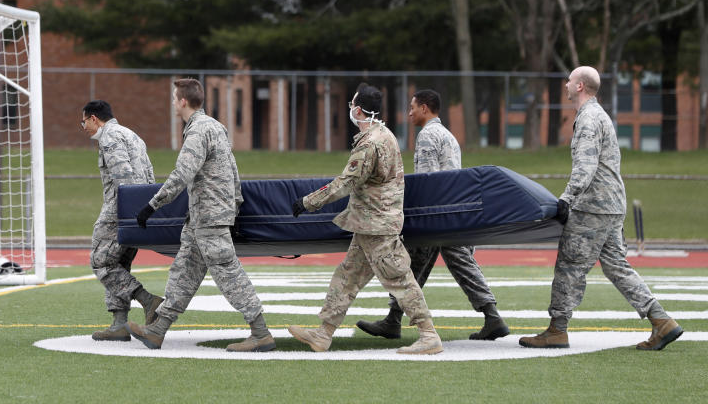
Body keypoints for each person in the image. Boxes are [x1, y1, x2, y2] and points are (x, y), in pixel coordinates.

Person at [520, 66, 684, 350]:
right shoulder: (599, 115)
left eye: (570, 80)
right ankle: (662, 321)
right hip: (611, 205)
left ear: (580, 86)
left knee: (569, 266)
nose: (566, 84)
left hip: (592, 207)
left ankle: (557, 330)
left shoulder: (588, 119)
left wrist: (566, 199)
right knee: (617, 267)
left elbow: (586, 167)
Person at [288, 83, 443, 355]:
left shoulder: (370, 144)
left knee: (399, 279)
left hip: (377, 226)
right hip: (369, 224)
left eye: (351, 105)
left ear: (358, 110)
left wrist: (307, 202)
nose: (349, 109)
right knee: (347, 277)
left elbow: (345, 183)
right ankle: (323, 334)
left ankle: (428, 334)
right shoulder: (384, 135)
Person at [126, 78, 274, 352]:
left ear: (183, 101)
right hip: (203, 219)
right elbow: (233, 171)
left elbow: (183, 173)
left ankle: (260, 332)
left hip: (209, 218)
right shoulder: (216, 127)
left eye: (173, 98)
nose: (172, 102)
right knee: (183, 272)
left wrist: (152, 205)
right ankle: (157, 330)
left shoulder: (197, 132)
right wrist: (235, 205)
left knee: (229, 275)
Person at [356, 89, 510, 341]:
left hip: (438, 215)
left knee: (422, 264)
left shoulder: (427, 135)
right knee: (427, 263)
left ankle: (491, 317)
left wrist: (419, 218)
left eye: (412, 107)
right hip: (451, 211)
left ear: (425, 108)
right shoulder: (447, 135)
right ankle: (395, 319)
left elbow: (429, 181)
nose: (409, 113)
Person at [82, 100, 163, 342]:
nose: (83, 126)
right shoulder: (132, 135)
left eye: (83, 121)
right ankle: (119, 323)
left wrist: (125, 212)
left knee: (100, 261)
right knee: (119, 264)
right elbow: (149, 175)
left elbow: (124, 177)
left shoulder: (110, 137)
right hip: (141, 208)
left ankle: (147, 300)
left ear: (94, 118)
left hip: (121, 208)